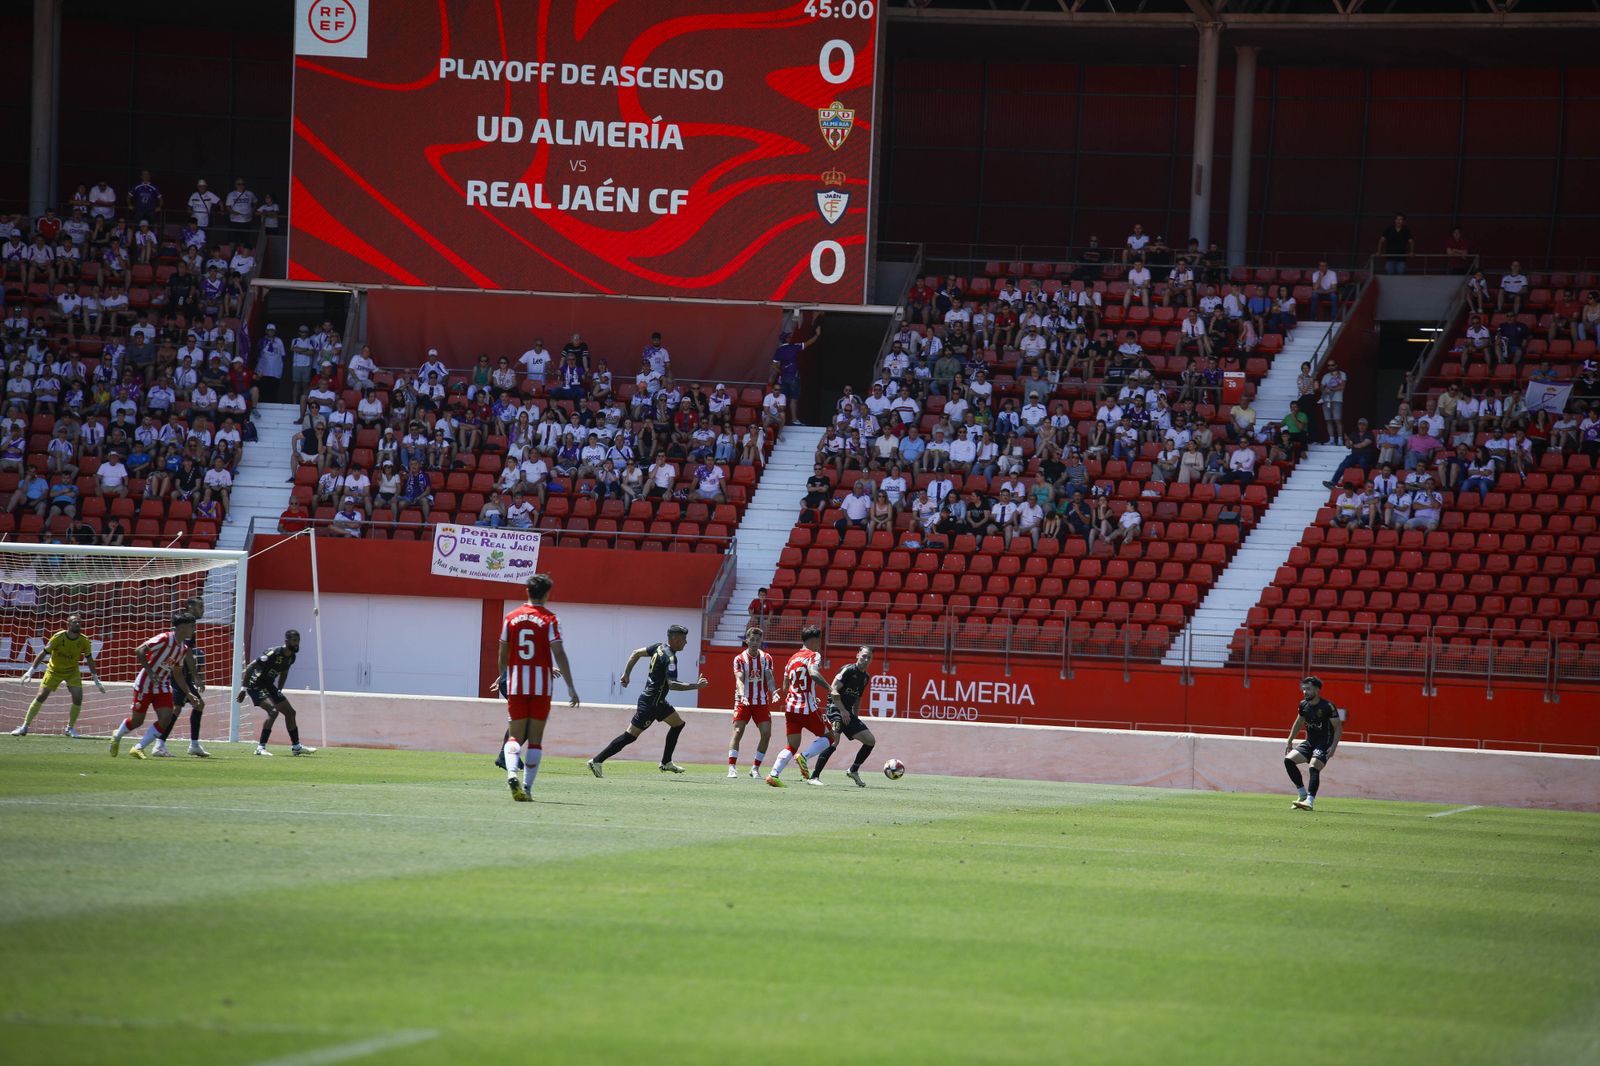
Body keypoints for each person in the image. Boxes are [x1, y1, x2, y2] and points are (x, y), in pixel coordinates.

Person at [497, 573, 580, 802]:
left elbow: (502, 653)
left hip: (516, 685)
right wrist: (571, 686)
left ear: (527, 591)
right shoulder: (550, 619)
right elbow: (559, 652)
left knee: (514, 737)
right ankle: (527, 788)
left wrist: (504, 675)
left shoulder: (510, 617)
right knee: (535, 740)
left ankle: (512, 774)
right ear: (547, 593)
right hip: (541, 686)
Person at [587, 624, 707, 776]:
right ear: (675, 639)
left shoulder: (658, 647)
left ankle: (666, 762)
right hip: (651, 704)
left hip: (658, 701)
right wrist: (696, 686)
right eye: (684, 639)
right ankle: (597, 761)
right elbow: (673, 684)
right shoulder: (670, 657)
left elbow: (636, 653)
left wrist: (626, 674)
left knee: (678, 724)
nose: (686, 642)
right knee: (629, 736)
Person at [108, 613, 203, 759]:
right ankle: (117, 734)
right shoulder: (164, 638)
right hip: (145, 684)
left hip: (162, 686)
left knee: (166, 718)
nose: (194, 630)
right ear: (183, 627)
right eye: (192, 626)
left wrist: (189, 694)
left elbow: (178, 674)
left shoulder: (182, 649)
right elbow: (139, 650)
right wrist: (151, 672)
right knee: (137, 721)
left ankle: (138, 747)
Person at [10, 613, 105, 738]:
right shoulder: (58, 637)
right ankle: (24, 727)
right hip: (54, 671)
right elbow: (43, 653)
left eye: (79, 622)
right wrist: (30, 672)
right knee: (41, 696)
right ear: (68, 624)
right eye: (74, 622)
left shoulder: (84, 640)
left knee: (78, 698)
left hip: (72, 672)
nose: (77, 624)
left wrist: (96, 679)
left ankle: (70, 728)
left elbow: (89, 659)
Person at [764, 626, 835, 787]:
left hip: (790, 707)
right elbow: (814, 673)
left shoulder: (792, 659)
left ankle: (773, 775)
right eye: (819, 641)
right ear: (814, 640)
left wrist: (806, 692)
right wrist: (831, 689)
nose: (820, 645)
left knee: (791, 745)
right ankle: (804, 756)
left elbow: (784, 686)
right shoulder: (813, 655)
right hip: (806, 707)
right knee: (830, 736)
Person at [807, 645, 878, 788]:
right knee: (834, 739)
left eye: (869, 657)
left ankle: (853, 770)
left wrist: (855, 716)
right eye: (864, 656)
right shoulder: (848, 670)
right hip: (834, 708)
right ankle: (814, 776)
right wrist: (842, 710)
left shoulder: (865, 677)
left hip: (847, 713)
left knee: (870, 740)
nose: (865, 659)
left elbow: (858, 698)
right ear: (858, 655)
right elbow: (833, 689)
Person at [153, 594, 212, 757]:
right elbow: (185, 653)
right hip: (177, 673)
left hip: (183, 673)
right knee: (176, 709)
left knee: (198, 705)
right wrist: (197, 676)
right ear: (190, 607)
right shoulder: (185, 626)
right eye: (200, 607)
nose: (203, 609)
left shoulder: (190, 626)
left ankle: (194, 745)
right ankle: (159, 744)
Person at [241, 629, 315, 756]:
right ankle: (260, 748)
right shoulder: (273, 653)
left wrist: (279, 690)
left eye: (298, 641)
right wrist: (244, 689)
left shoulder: (292, 657)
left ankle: (296, 747)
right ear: (286, 641)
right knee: (273, 712)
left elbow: (284, 673)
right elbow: (250, 667)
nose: (297, 644)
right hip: (256, 685)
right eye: (294, 640)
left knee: (291, 713)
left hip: (269, 686)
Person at [724, 625, 778, 780]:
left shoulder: (766, 658)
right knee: (738, 732)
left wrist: (773, 691)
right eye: (752, 639)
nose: (755, 642)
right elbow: (739, 679)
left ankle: (755, 768)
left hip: (761, 701)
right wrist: (742, 695)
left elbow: (769, 677)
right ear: (747, 640)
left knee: (766, 734)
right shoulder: (739, 659)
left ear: (761, 641)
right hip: (743, 700)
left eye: (758, 639)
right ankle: (732, 768)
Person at [1284, 676, 1344, 811]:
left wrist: (1333, 747)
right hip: (1310, 742)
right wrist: (1289, 740)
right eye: (1303, 689)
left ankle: (1309, 801)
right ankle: (1302, 794)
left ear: (1317, 690)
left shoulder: (1327, 706)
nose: (1305, 692)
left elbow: (1338, 727)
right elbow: (1298, 722)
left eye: (1308, 689)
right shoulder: (1303, 705)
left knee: (1313, 767)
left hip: (1324, 743)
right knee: (1288, 760)